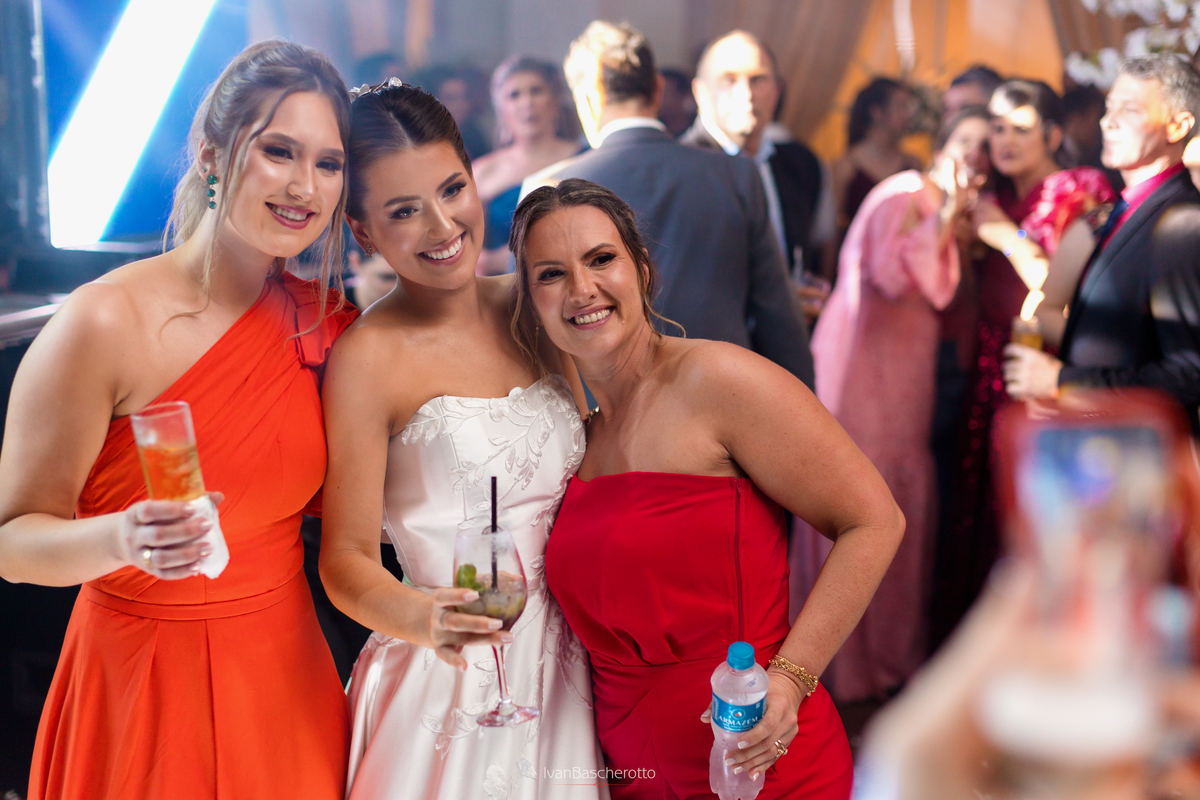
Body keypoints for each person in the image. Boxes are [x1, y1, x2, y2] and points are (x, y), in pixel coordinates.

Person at [0, 41, 357, 799]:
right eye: (279, 151)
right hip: (138, 680)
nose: (305, 185)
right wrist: (122, 538)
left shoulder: (326, 323)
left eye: (328, 163)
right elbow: (12, 544)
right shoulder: (103, 321)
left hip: (284, 679)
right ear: (213, 155)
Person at [512, 178, 903, 799]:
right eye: (551, 274)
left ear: (642, 268)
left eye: (601, 259)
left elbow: (874, 521)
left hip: (756, 759)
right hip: (628, 772)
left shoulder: (719, 381)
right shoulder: (574, 438)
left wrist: (791, 680)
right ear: (531, 300)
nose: (582, 289)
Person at [317, 83, 606, 800]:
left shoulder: (535, 305)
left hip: (576, 663)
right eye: (403, 211)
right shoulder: (367, 359)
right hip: (449, 671)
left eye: (453, 189)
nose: (442, 225)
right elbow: (344, 560)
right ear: (362, 232)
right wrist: (429, 620)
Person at [790, 107, 990, 704]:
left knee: (899, 497)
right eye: (967, 140)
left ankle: (888, 657)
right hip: (865, 365)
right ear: (942, 145)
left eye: (986, 146)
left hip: (907, 365)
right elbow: (894, 275)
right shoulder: (904, 192)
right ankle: (844, 665)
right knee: (863, 498)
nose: (975, 155)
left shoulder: (941, 204)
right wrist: (949, 217)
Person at [531, 20, 814, 388]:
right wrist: (805, 406)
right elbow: (779, 318)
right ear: (658, 88)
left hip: (603, 400)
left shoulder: (551, 188)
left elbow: (532, 319)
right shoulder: (736, 174)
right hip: (721, 393)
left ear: (588, 97)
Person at [934, 80, 1114, 645]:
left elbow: (1069, 291)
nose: (1005, 140)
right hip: (988, 360)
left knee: (1034, 504)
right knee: (978, 502)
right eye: (997, 128)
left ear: (1053, 135)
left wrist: (1003, 235)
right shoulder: (992, 194)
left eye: (1021, 128)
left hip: (1045, 363)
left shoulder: (1077, 189)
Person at [1004, 55, 1200, 426]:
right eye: (1109, 108)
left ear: (1177, 126)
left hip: (1144, 445)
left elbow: (1189, 374)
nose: (1107, 121)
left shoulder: (1183, 223)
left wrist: (1063, 380)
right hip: (1103, 434)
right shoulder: (1119, 213)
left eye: (1129, 110)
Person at [683, 30, 835, 280]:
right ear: (700, 92)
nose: (746, 95)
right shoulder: (679, 169)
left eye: (758, 80)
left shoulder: (799, 165)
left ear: (777, 91)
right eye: (729, 80)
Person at [473, 56, 582, 276]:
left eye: (536, 91)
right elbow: (469, 252)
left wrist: (519, 255)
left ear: (554, 100)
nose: (527, 103)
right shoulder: (482, 172)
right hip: (506, 287)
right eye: (514, 95)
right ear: (501, 108)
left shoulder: (584, 159)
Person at [833, 78, 922, 237]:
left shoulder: (912, 165)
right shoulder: (848, 166)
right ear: (877, 112)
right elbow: (833, 227)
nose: (908, 114)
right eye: (900, 106)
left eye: (908, 107)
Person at [657, 67, 697, 137]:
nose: (662, 99)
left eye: (667, 93)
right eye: (659, 94)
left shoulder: (696, 127)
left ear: (683, 95)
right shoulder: (655, 127)